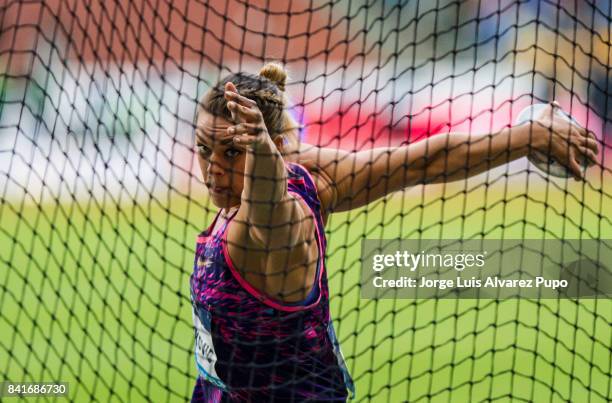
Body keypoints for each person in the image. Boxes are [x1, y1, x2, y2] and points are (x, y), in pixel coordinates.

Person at [190, 63, 598, 402]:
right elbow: (421, 161)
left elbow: (267, 200)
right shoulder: (306, 173)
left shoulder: (274, 223)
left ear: (270, 147)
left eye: (232, 153)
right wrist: (525, 137)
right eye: (204, 149)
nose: (213, 170)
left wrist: (260, 147)